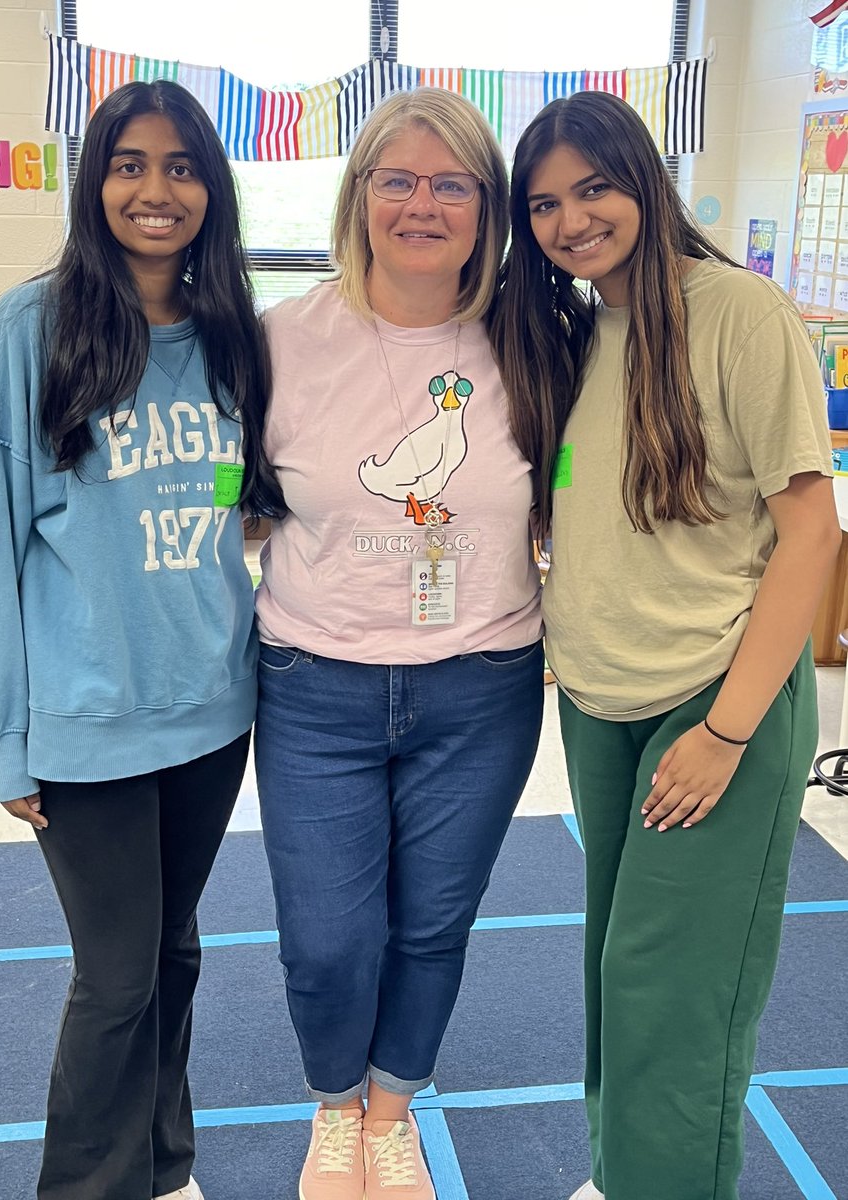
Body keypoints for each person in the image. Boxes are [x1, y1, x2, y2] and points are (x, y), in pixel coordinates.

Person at [489, 89, 841, 1200]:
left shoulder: (737, 311)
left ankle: (666, 1181)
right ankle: (626, 1173)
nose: (571, 218)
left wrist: (729, 731)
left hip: (714, 700)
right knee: (614, 965)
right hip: (599, 702)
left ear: (643, 177)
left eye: (593, 186)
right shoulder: (579, 333)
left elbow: (811, 531)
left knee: (673, 983)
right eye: (544, 202)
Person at [0, 79, 282, 1200]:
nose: (157, 189)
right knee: (117, 976)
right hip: (84, 725)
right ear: (95, 181)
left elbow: (248, 512)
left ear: (212, 191)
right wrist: (0, 738)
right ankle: (89, 1186)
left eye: (183, 166)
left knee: (172, 951)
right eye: (131, 163)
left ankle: (162, 1162)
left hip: (208, 714)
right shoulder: (27, 330)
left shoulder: (230, 336)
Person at [253, 87, 545, 1200]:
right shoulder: (280, 341)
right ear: (361, 194)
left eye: (452, 183)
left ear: (488, 206)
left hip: (482, 687)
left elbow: (564, 479)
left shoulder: (533, 339)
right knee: (327, 938)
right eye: (397, 180)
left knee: (432, 923)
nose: (422, 204)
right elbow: (236, 490)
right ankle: (332, 1106)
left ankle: (387, 1113)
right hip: (313, 682)